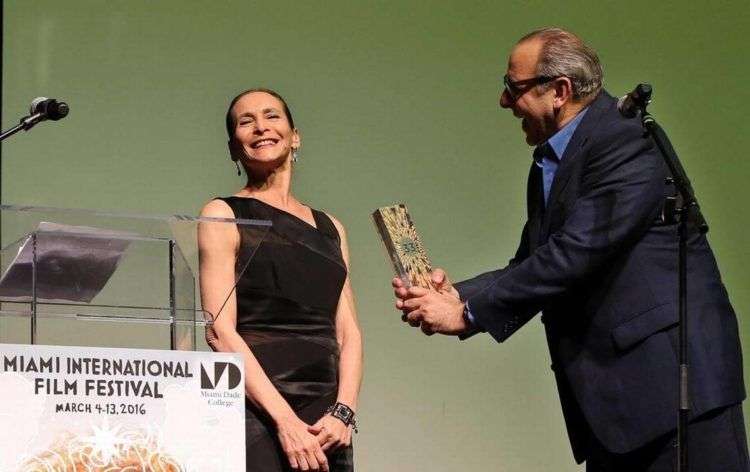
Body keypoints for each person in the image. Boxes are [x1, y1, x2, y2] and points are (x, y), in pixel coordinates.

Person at [393, 28, 747, 471]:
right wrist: (455, 295)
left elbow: (573, 254)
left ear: (559, 91)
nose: (504, 102)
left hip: (673, 395)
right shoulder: (554, 157)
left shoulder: (624, 141)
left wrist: (466, 314)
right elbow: (532, 262)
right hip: (617, 406)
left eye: (513, 88)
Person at [200, 88, 362, 472]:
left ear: (295, 135)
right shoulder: (223, 214)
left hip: (327, 419)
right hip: (257, 409)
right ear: (232, 147)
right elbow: (219, 331)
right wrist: (285, 421)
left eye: (271, 116)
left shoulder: (330, 227)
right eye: (246, 121)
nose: (260, 127)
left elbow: (349, 331)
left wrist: (344, 412)